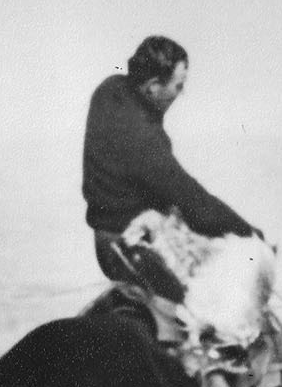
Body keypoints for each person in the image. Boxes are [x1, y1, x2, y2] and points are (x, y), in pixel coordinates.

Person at [83, 35, 260, 305]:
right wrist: (249, 235)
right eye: (178, 86)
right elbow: (193, 201)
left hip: (104, 241)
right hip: (130, 250)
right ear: (153, 86)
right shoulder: (143, 138)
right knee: (208, 307)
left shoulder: (110, 89)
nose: (182, 93)